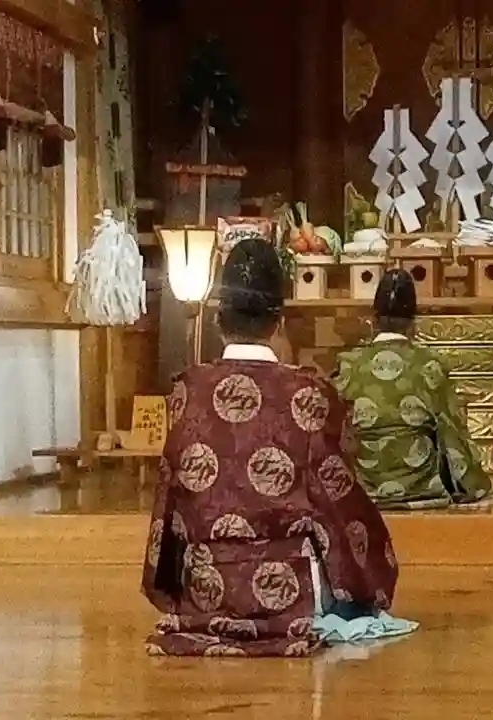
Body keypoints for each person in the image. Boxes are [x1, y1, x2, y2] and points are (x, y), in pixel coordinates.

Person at [142, 238, 398, 658]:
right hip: (288, 592)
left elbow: (168, 505)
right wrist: (373, 577)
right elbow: (340, 502)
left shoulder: (187, 390)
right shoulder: (308, 393)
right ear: (279, 322)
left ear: (218, 319)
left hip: (205, 590)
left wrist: (170, 585)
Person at [331, 269, 492, 510]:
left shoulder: (348, 364)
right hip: (421, 488)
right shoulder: (429, 364)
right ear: (413, 325)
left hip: (363, 491)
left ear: (373, 321)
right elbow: (452, 433)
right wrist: (473, 484)